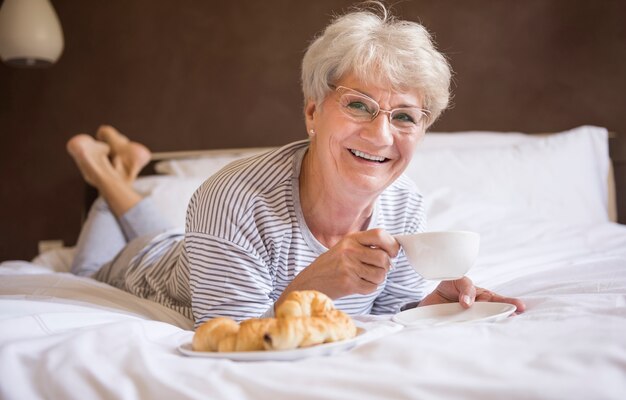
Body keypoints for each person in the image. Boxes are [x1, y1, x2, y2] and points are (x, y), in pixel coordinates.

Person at [67, 2, 525, 328]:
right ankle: (103, 173)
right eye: (359, 105)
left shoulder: (405, 206)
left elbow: (387, 314)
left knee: (160, 230)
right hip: (143, 267)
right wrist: (314, 285)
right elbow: (229, 339)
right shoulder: (230, 200)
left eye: (404, 116)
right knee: (87, 268)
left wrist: (431, 304)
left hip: (182, 242)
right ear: (312, 113)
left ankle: (120, 169)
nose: (381, 135)